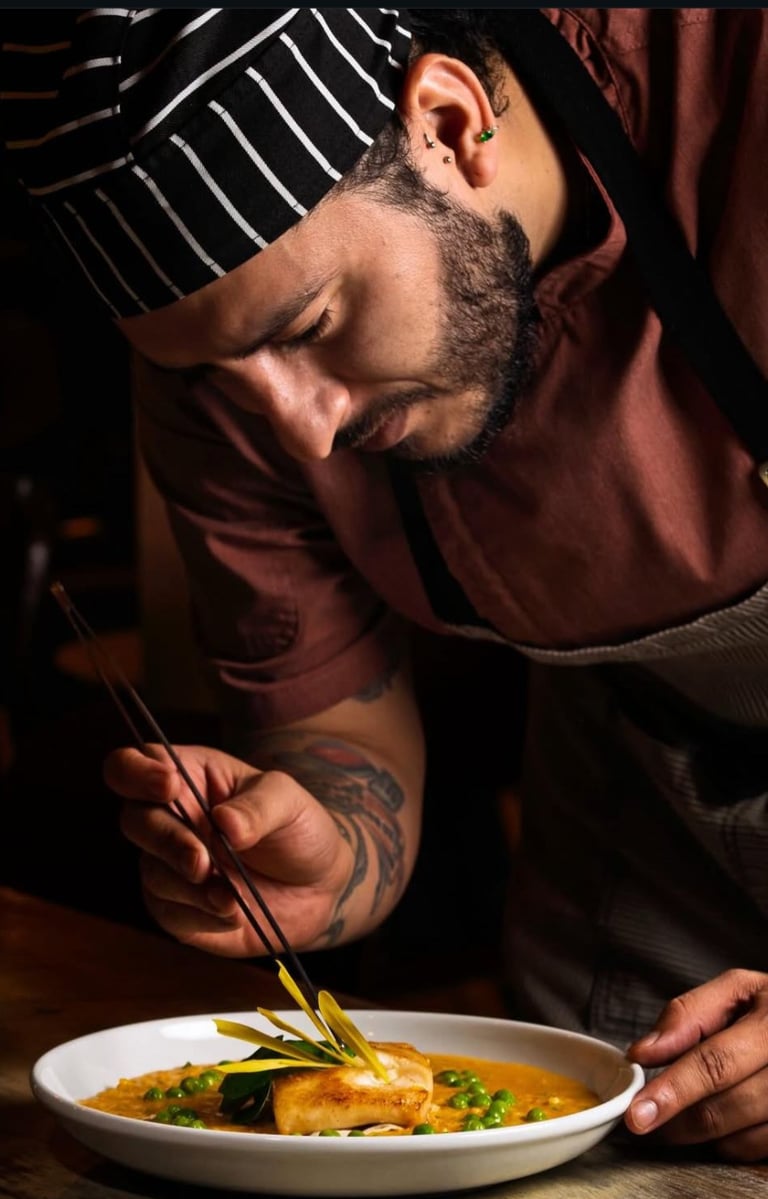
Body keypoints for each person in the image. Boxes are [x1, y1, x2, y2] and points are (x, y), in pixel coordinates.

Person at [3, 6, 768, 1161]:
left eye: (313, 322)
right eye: (218, 369)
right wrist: (316, 854)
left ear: (449, 123)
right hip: (649, 840)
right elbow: (340, 732)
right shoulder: (219, 388)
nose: (300, 430)